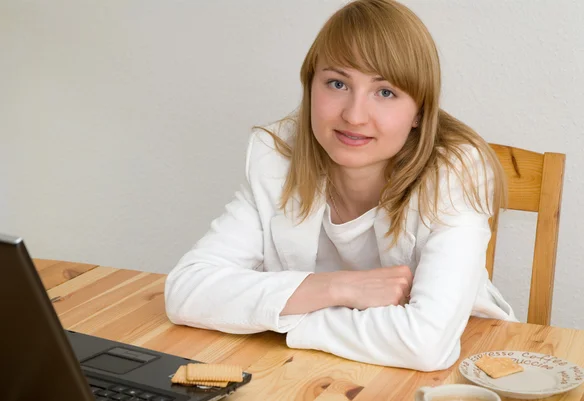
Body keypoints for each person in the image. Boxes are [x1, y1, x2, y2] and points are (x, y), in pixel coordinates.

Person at [164, 0, 516, 372]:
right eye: (337, 83)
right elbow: (186, 290)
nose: (354, 115)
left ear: (420, 112)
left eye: (385, 92)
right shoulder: (275, 155)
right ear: (309, 88)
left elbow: (424, 344)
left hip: (452, 371)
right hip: (310, 369)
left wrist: (275, 317)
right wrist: (338, 287)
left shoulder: (456, 170)